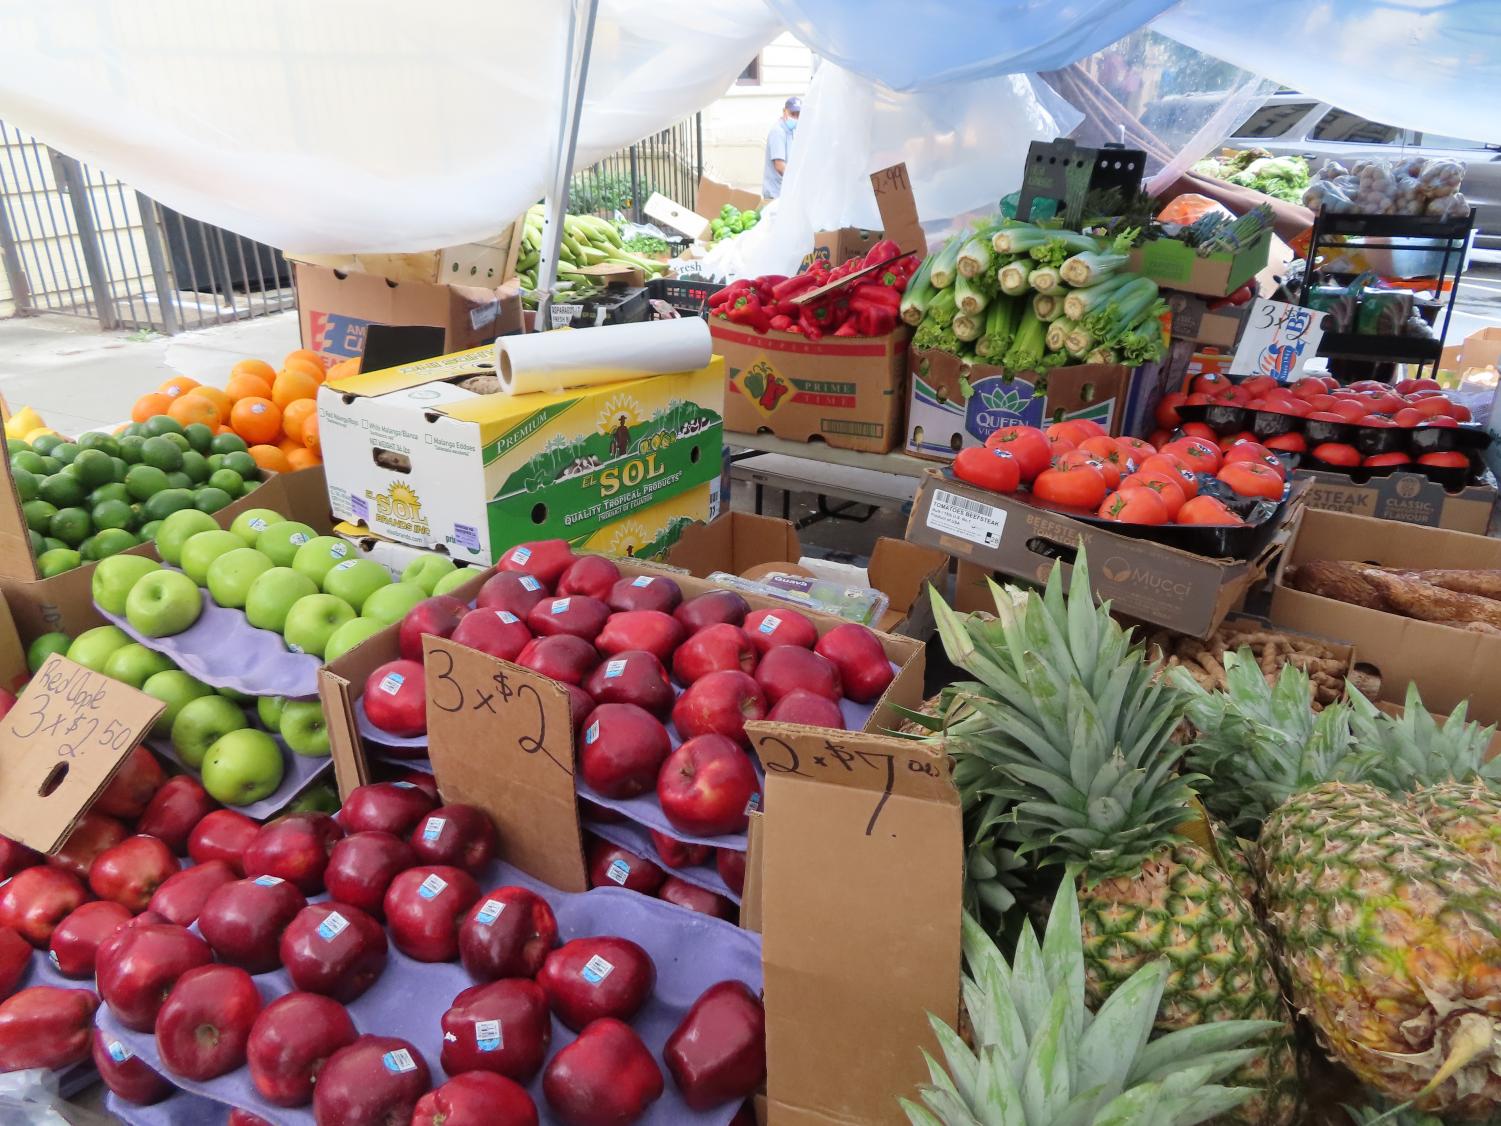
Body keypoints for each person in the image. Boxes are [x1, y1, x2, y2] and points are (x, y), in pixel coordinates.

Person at [763, 95, 800, 200]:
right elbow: (779, 166)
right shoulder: (778, 132)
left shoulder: (791, 131)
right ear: (784, 111)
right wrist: (797, 179)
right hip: (775, 194)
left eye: (799, 115)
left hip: (784, 193)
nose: (796, 118)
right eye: (793, 114)